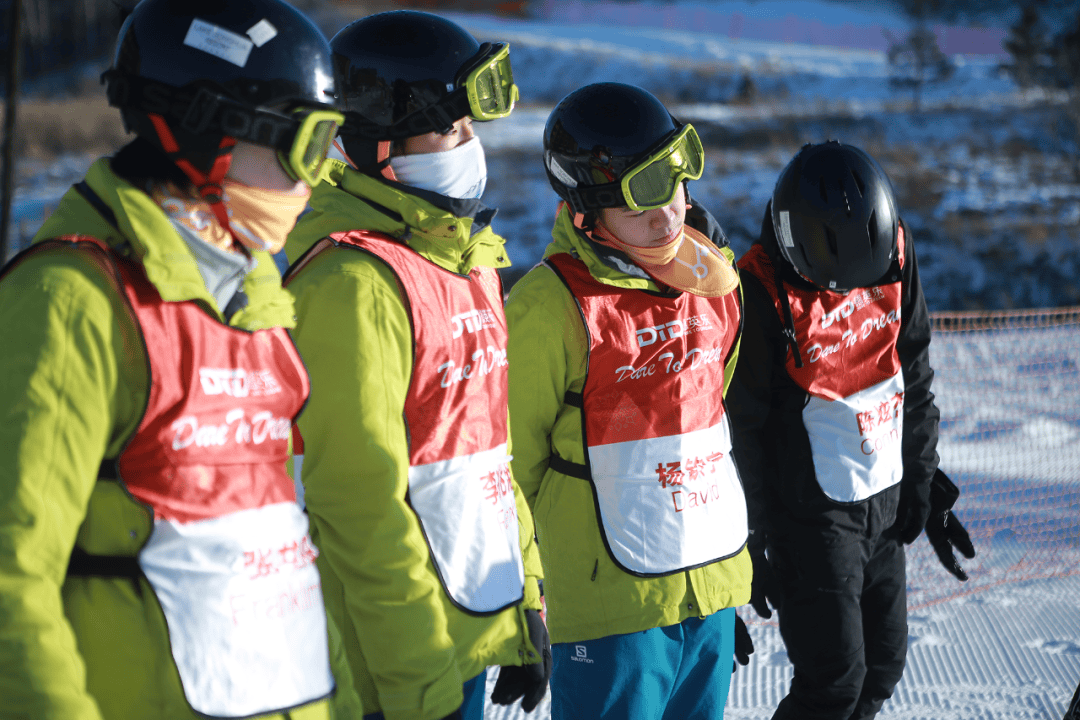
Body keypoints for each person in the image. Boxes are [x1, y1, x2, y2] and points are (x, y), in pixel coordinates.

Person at [0, 1, 344, 718]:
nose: (318, 176)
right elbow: (13, 574)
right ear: (211, 129)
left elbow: (280, 544)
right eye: (307, 144)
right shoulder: (72, 301)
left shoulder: (253, 292)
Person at [281, 11, 550, 720]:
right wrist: (413, 679)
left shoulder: (468, 261)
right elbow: (358, 504)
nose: (470, 146)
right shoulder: (350, 285)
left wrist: (526, 599)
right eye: (450, 130)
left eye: (470, 128)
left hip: (464, 625)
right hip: (392, 663)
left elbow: (489, 454)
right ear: (380, 146)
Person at [505, 82, 753, 720]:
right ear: (587, 212)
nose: (668, 217)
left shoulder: (715, 282)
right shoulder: (549, 307)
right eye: (640, 204)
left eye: (674, 188)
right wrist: (520, 600)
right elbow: (509, 469)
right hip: (609, 607)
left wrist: (721, 586)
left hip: (708, 588)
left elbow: (710, 418)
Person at [729, 141, 973, 720]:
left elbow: (911, 369)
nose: (844, 293)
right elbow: (743, 428)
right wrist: (749, 537)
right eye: (831, 283)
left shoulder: (892, 253)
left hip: (883, 499)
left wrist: (922, 473)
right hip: (811, 520)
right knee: (833, 683)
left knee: (883, 666)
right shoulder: (760, 289)